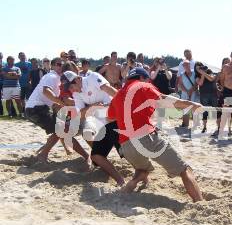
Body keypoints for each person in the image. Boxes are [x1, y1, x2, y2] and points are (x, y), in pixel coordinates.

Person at [107, 67, 203, 200]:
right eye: (147, 79)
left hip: (126, 146)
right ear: (142, 78)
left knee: (142, 170)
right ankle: (200, 202)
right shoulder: (142, 85)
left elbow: (110, 117)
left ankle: (132, 184)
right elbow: (164, 100)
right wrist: (191, 104)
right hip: (145, 138)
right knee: (185, 170)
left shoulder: (117, 95)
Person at [62, 70, 125, 185]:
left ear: (77, 79)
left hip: (115, 119)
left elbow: (113, 93)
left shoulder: (92, 78)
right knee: (96, 156)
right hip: (101, 124)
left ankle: (142, 175)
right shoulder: (76, 94)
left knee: (126, 153)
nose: (71, 91)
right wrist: (93, 106)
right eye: (68, 89)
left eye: (71, 87)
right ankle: (120, 180)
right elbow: (80, 114)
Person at [25, 58, 91, 164]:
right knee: (61, 131)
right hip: (36, 109)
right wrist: (62, 103)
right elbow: (46, 91)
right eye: (58, 64)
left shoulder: (61, 80)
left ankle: (46, 152)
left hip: (38, 108)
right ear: (52, 66)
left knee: (61, 131)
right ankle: (44, 154)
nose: (60, 66)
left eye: (62, 64)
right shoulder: (52, 76)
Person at [195, 62, 218, 133]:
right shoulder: (196, 76)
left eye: (200, 67)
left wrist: (203, 72)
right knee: (205, 112)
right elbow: (200, 83)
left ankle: (219, 127)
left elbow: (211, 79)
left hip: (213, 94)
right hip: (204, 95)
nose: (199, 69)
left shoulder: (209, 72)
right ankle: (204, 127)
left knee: (217, 111)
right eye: (198, 68)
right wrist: (202, 74)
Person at [178, 60, 200, 128]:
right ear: (183, 66)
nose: (186, 66)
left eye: (187, 64)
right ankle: (185, 124)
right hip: (185, 94)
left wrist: (191, 90)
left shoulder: (194, 73)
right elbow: (180, 84)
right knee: (185, 109)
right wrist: (187, 91)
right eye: (184, 65)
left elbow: (197, 83)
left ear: (190, 65)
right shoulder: (182, 74)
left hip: (194, 93)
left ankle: (195, 125)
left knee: (195, 109)